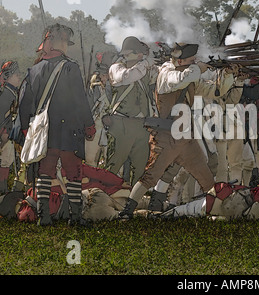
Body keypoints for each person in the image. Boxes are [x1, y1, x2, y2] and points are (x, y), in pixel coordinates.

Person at [119, 42, 237, 219]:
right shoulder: (166, 73)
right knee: (150, 176)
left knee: (206, 177)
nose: (194, 61)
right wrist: (198, 68)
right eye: (191, 60)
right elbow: (179, 79)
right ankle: (126, 212)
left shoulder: (189, 75)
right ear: (180, 61)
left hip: (186, 138)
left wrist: (228, 75)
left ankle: (217, 208)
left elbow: (215, 91)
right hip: (167, 138)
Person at [19, 23, 96, 226]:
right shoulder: (70, 67)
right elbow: (80, 100)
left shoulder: (34, 70)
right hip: (69, 130)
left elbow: (25, 103)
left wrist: (29, 130)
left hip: (45, 132)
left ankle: (44, 217)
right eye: (65, 41)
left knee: (45, 173)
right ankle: (75, 217)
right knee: (73, 174)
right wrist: (89, 125)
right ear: (58, 42)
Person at [104, 37, 159, 185]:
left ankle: (133, 201)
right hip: (121, 123)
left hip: (142, 125)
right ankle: (103, 196)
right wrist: (146, 64)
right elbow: (128, 77)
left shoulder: (146, 70)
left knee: (141, 166)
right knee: (113, 164)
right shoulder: (116, 68)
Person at [0, 61, 22, 194]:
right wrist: (4, 135)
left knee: (7, 163)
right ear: (8, 77)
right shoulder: (5, 95)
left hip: (9, 134)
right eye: (15, 74)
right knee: (4, 163)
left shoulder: (12, 93)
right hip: (5, 136)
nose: (19, 76)